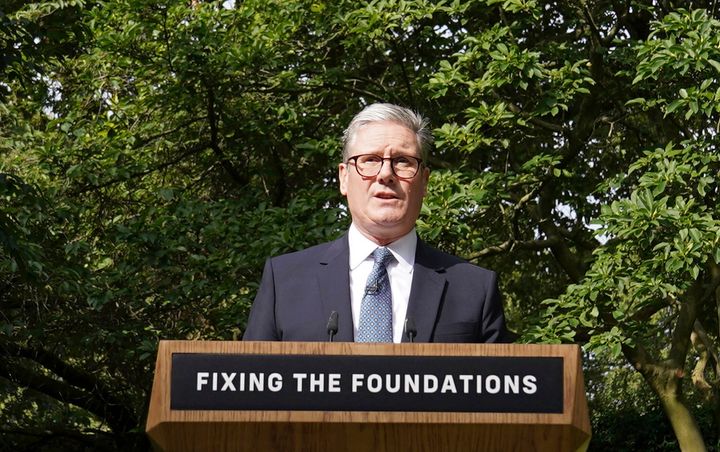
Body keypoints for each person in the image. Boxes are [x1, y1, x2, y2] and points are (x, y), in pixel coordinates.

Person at [243, 103, 509, 343]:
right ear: (344, 178)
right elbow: (250, 387)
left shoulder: (475, 289)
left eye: (402, 161)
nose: (385, 174)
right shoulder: (285, 281)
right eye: (370, 160)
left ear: (425, 181)